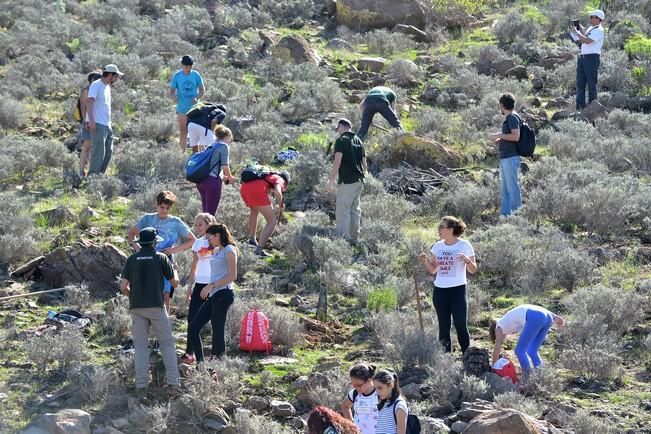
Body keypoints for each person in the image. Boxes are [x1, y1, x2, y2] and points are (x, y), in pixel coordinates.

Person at [120, 227, 180, 395]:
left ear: (141, 242)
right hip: (156, 307)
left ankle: (141, 387)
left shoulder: (131, 259)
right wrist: (174, 269)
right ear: (155, 242)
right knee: (167, 344)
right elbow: (174, 283)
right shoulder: (161, 258)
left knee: (140, 347)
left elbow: (123, 286)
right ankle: (174, 385)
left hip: (137, 307)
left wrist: (132, 297)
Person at [127, 191, 196, 312]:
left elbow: (192, 240)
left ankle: (165, 319)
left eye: (167, 208)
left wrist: (173, 249)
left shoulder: (176, 222)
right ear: (156, 205)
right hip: (147, 257)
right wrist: (138, 250)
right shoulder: (147, 219)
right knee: (147, 288)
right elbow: (131, 234)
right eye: (162, 207)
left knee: (166, 292)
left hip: (166, 258)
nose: (164, 210)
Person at [419, 216, 477, 354]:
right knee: (443, 327)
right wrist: (425, 261)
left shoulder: (464, 245)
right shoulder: (438, 246)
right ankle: (446, 359)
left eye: (441, 227)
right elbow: (433, 269)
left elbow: (473, 270)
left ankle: (466, 355)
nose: (439, 230)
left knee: (460, 324)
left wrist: (467, 260)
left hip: (458, 290)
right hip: (440, 291)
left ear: (450, 229)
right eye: (439, 227)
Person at [187, 224, 237, 362]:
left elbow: (233, 276)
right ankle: (200, 363)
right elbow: (199, 255)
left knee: (217, 327)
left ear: (217, 235)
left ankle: (218, 361)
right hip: (215, 294)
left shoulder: (229, 250)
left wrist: (211, 285)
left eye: (210, 238)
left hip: (224, 293)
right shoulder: (216, 251)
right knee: (193, 327)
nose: (208, 241)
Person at [180, 212, 217, 364]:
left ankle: (216, 356)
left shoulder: (218, 241)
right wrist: (190, 286)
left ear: (209, 224)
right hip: (200, 284)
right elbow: (194, 266)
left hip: (215, 285)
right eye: (195, 225)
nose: (197, 227)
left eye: (200, 224)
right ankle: (190, 353)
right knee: (192, 319)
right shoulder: (197, 243)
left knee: (216, 321)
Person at [490, 304, 565, 376]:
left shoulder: (498, 326)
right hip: (548, 316)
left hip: (536, 317)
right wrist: (555, 317)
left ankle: (527, 378)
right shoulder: (508, 320)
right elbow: (534, 308)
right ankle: (541, 376)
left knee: (519, 351)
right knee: (532, 351)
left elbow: (497, 347)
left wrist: (494, 367)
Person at [327, 118, 366, 243]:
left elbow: (337, 161)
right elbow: (364, 164)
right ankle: (354, 239)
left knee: (343, 211)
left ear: (340, 126)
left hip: (347, 181)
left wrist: (331, 181)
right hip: (359, 180)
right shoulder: (359, 141)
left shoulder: (341, 140)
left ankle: (342, 242)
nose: (337, 131)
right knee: (355, 210)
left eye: (337, 128)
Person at [240, 170, 290, 258]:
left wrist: (276, 209)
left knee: (254, 210)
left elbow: (266, 206)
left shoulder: (268, 176)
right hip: (257, 190)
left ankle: (252, 240)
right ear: (286, 181)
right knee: (272, 221)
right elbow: (278, 192)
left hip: (244, 188)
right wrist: (280, 204)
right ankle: (258, 251)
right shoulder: (280, 179)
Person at [87, 64, 123, 175]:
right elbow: (89, 102)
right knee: (98, 151)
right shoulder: (96, 85)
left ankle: (100, 175)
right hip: (97, 123)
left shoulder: (107, 87)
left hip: (107, 124)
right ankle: (93, 176)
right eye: (116, 76)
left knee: (108, 151)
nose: (117, 79)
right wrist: (91, 121)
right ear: (111, 75)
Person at [490, 93, 522, 216]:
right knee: (506, 190)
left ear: (502, 105)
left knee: (512, 189)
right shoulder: (510, 118)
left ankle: (517, 215)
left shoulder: (512, 118)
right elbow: (511, 137)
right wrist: (501, 139)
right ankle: (505, 216)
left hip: (510, 158)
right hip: (506, 158)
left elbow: (516, 136)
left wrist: (499, 135)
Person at [196, 125, 236, 216]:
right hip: (212, 182)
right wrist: (230, 177)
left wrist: (223, 177)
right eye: (231, 138)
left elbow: (213, 167)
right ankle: (209, 230)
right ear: (227, 136)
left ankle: (202, 230)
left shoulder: (211, 145)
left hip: (201, 180)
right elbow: (225, 165)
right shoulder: (224, 146)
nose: (231, 141)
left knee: (205, 212)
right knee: (210, 215)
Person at [169, 55, 205, 152]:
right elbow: (171, 91)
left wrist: (197, 97)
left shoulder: (196, 75)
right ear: (182, 65)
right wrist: (174, 98)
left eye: (190, 67)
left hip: (195, 107)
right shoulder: (177, 76)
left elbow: (202, 90)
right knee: (183, 131)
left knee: (198, 131)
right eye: (186, 67)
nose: (188, 69)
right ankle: (182, 153)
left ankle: (198, 154)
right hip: (182, 108)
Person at [572, 10, 605, 110]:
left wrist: (577, 33)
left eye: (592, 16)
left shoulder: (599, 30)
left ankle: (592, 107)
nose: (590, 18)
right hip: (583, 57)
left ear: (598, 19)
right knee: (580, 83)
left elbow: (587, 41)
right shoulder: (592, 28)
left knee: (591, 83)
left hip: (592, 58)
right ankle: (580, 106)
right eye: (590, 16)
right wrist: (581, 31)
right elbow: (585, 37)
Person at [342, 363, 378, 434]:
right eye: (354, 386)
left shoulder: (380, 393)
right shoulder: (354, 393)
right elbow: (345, 406)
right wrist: (351, 425)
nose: (356, 388)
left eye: (359, 385)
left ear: (369, 380)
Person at [79, 70, 102, 177]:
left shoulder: (97, 90)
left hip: (97, 122)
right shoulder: (86, 91)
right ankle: (81, 172)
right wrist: (85, 121)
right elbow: (83, 106)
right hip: (88, 122)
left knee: (93, 148)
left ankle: (89, 172)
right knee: (86, 147)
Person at [372, 369, 408, 434]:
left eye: (380, 388)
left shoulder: (399, 406)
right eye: (375, 388)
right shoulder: (383, 404)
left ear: (391, 385)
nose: (377, 392)